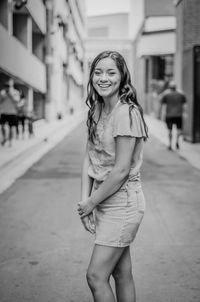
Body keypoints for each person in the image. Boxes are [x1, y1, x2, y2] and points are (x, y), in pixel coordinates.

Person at [77, 50, 148, 302]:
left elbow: (120, 171)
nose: (103, 78)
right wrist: (85, 201)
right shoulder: (97, 109)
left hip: (123, 201)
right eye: (98, 72)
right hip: (104, 198)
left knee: (95, 276)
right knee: (121, 272)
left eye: (110, 72)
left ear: (122, 76)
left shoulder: (125, 113)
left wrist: (91, 202)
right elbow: (89, 156)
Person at [158, 80, 187, 150]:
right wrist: (185, 113)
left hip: (169, 115)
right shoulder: (181, 94)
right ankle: (177, 141)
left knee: (170, 130)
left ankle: (170, 144)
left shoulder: (166, 94)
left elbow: (161, 102)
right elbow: (185, 105)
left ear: (169, 87)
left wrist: (160, 114)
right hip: (178, 115)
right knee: (179, 130)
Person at [0, 79, 20, 146]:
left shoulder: (15, 92)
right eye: (6, 86)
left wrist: (10, 95)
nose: (7, 87)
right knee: (2, 126)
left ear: (11, 86)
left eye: (8, 86)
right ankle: (5, 138)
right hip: (4, 112)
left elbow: (17, 101)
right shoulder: (2, 92)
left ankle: (10, 141)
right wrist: (3, 96)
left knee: (11, 127)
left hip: (12, 113)